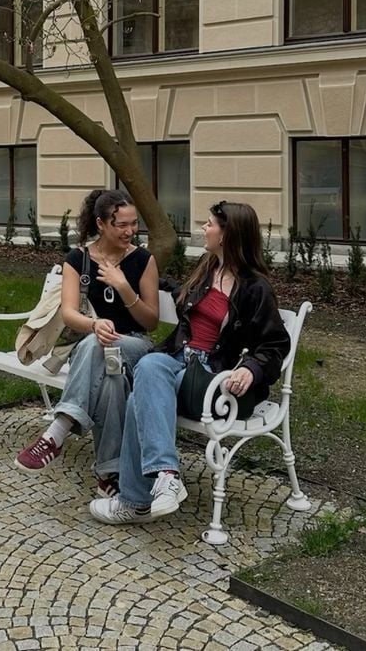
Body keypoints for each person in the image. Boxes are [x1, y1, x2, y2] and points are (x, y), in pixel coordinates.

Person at [90, 200, 290, 524]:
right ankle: (161, 481)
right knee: (146, 374)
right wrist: (138, 274)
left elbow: (275, 344)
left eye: (210, 224)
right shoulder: (208, 269)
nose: (204, 229)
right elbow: (183, 296)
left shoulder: (255, 288)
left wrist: (250, 370)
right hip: (180, 363)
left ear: (227, 234)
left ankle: (137, 500)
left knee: (145, 378)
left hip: (212, 380)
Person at [15, 188, 159, 496]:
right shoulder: (78, 259)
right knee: (111, 381)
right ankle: (110, 476)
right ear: (101, 223)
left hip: (134, 347)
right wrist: (94, 324)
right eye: (121, 224)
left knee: (96, 347)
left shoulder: (143, 261)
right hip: (95, 353)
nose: (130, 231)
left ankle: (58, 430)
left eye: (134, 224)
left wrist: (124, 288)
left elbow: (151, 321)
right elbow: (69, 314)